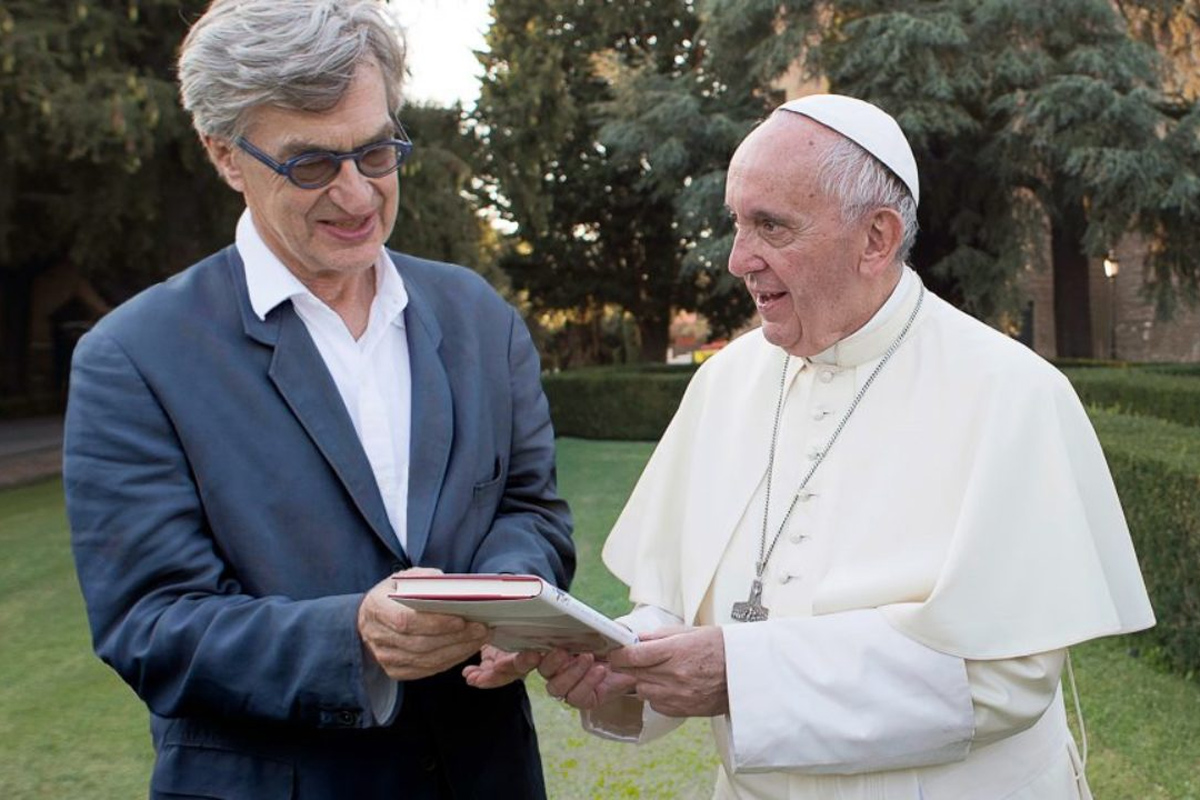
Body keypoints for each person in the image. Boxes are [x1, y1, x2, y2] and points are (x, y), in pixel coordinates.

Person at [473, 95, 1156, 799]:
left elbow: (1003, 677)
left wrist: (741, 674)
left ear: (876, 238)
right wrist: (623, 658)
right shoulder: (726, 382)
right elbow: (677, 605)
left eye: (771, 226)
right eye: (737, 223)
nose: (739, 259)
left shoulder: (1011, 393)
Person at [62, 2, 573, 798]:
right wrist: (354, 637)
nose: (358, 194)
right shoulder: (134, 357)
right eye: (310, 165)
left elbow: (529, 509)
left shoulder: (478, 316)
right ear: (225, 156)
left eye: (376, 151)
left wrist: (505, 606)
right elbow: (151, 625)